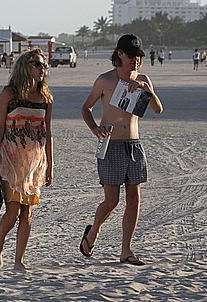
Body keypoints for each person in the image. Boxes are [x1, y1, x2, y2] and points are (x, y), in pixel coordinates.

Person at [80, 34, 163, 265]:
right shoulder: (105, 80)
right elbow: (86, 108)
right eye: (130, 56)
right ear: (119, 54)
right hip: (112, 144)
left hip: (134, 144)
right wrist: (95, 128)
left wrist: (147, 90)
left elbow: (157, 109)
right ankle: (93, 231)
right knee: (111, 201)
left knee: (134, 199)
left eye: (138, 56)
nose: (135, 61)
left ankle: (126, 250)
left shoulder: (143, 79)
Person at [0, 48, 54, 271]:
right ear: (25, 66)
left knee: (28, 213)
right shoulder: (9, 94)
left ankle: (19, 260)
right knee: (13, 210)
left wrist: (50, 165)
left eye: (44, 65)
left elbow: (48, 132)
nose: (42, 69)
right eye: (37, 64)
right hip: (10, 158)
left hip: (35, 163)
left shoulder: (45, 98)